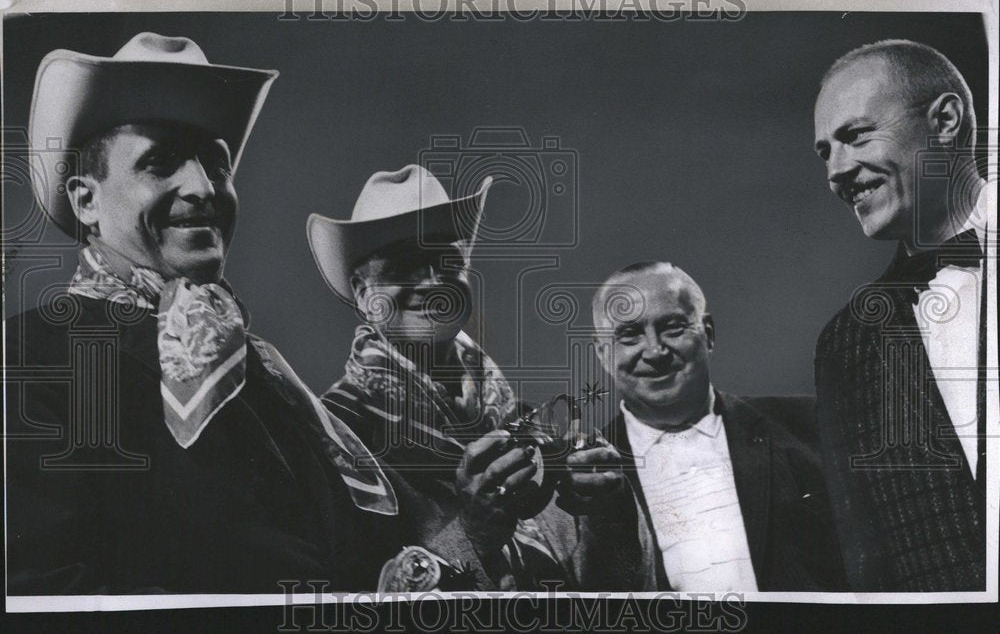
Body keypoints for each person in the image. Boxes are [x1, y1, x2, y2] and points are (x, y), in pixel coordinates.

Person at [5, 32, 398, 595]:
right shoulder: (31, 357)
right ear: (86, 200)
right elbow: (42, 594)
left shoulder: (262, 372)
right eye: (160, 162)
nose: (203, 187)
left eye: (217, 164)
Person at [308, 164, 643, 590]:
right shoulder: (333, 437)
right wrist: (471, 536)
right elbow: (343, 610)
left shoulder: (523, 426)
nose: (432, 282)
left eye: (447, 261)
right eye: (405, 264)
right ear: (362, 292)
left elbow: (611, 602)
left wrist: (609, 514)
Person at [812, 39, 993, 591]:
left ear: (944, 120)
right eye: (825, 153)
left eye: (856, 135)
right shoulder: (847, 342)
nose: (837, 171)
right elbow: (869, 565)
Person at [591, 261, 846, 591]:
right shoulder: (584, 477)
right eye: (629, 335)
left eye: (672, 327)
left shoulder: (809, 426)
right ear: (602, 355)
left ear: (707, 334)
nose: (654, 351)